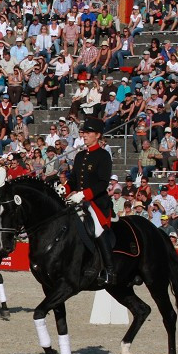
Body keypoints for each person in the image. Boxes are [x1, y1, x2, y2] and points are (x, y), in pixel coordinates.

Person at [65, 117, 115, 285]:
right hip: (78, 199)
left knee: (97, 228)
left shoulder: (103, 156)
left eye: (88, 132)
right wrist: (64, 188)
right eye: (84, 132)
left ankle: (109, 269)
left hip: (96, 203)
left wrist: (84, 195)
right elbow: (73, 180)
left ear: (98, 135)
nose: (84, 135)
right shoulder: (80, 156)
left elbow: (103, 183)